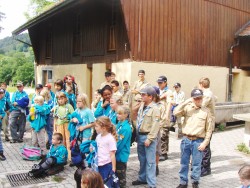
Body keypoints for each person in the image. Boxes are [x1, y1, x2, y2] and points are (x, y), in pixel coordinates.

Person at [174, 89, 213, 188]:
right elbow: (175, 112)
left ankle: (195, 182)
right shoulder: (187, 108)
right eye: (196, 98)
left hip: (198, 141)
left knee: (196, 164)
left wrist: (205, 143)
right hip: (186, 140)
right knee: (184, 163)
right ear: (192, 99)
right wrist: (186, 102)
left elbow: (209, 130)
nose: (198, 100)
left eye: (200, 98)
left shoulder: (206, 111)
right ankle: (183, 182)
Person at [132, 86, 160, 188]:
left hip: (148, 137)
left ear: (150, 97)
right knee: (142, 159)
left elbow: (155, 125)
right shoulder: (142, 105)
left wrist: (150, 138)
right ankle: (142, 178)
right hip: (140, 136)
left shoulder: (155, 109)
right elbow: (138, 119)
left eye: (144, 95)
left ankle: (152, 184)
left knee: (150, 162)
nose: (141, 96)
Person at [198, 77, 216, 177]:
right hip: (205, 122)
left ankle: (206, 168)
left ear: (201, 84)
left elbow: (200, 105)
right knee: (203, 145)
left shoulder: (207, 95)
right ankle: (202, 165)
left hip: (208, 123)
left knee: (205, 146)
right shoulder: (209, 93)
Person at [95, 116, 117, 187]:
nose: (95, 128)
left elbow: (112, 155)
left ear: (103, 128)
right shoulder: (98, 137)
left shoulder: (110, 139)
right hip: (98, 164)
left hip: (106, 165)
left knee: (107, 184)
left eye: (96, 126)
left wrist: (113, 168)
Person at [53, 92, 74, 160]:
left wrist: (70, 117)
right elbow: (55, 119)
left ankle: (70, 157)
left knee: (68, 140)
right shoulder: (56, 107)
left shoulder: (68, 106)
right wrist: (55, 128)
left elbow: (73, 114)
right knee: (61, 140)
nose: (60, 100)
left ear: (65, 99)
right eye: (59, 99)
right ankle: (62, 156)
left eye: (62, 98)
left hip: (67, 125)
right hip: (59, 125)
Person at [157, 76, 173, 161]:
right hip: (158, 116)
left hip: (164, 116)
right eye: (158, 83)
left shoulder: (169, 92)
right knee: (159, 135)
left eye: (161, 82)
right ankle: (160, 151)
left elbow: (170, 103)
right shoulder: (159, 91)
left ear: (165, 82)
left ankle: (164, 153)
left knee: (164, 135)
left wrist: (167, 115)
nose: (159, 84)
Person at [116, 105, 132, 188]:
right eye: (117, 113)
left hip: (121, 155)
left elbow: (120, 144)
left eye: (120, 114)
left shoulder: (126, 128)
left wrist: (113, 150)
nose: (118, 115)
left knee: (121, 177)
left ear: (126, 115)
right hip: (117, 155)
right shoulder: (119, 124)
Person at [153, 86, 167, 176]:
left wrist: (157, 128)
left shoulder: (161, 106)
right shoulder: (147, 104)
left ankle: (156, 167)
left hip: (156, 131)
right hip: (148, 131)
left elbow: (162, 119)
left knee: (156, 151)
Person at [0, 88, 6, 160]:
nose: (0, 95)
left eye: (1, 93)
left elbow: (3, 112)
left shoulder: (3, 101)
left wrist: (1, 116)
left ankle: (1, 152)